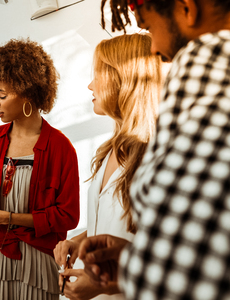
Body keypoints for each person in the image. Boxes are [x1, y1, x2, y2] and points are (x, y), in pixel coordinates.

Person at [79, 0, 230, 299]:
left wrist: (137, 267)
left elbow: (183, 276)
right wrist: (134, 260)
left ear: (187, 8)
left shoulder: (222, 56)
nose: (155, 51)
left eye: (149, 27)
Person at [0, 38, 80, 300]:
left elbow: (68, 216)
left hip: (37, 265)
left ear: (28, 92)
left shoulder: (61, 147)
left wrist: (6, 218)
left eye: (1, 94)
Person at [53, 34, 161, 300]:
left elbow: (178, 254)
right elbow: (120, 225)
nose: (91, 85)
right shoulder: (110, 150)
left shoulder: (160, 156)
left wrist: (112, 284)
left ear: (124, 79)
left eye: (98, 75)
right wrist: (79, 240)